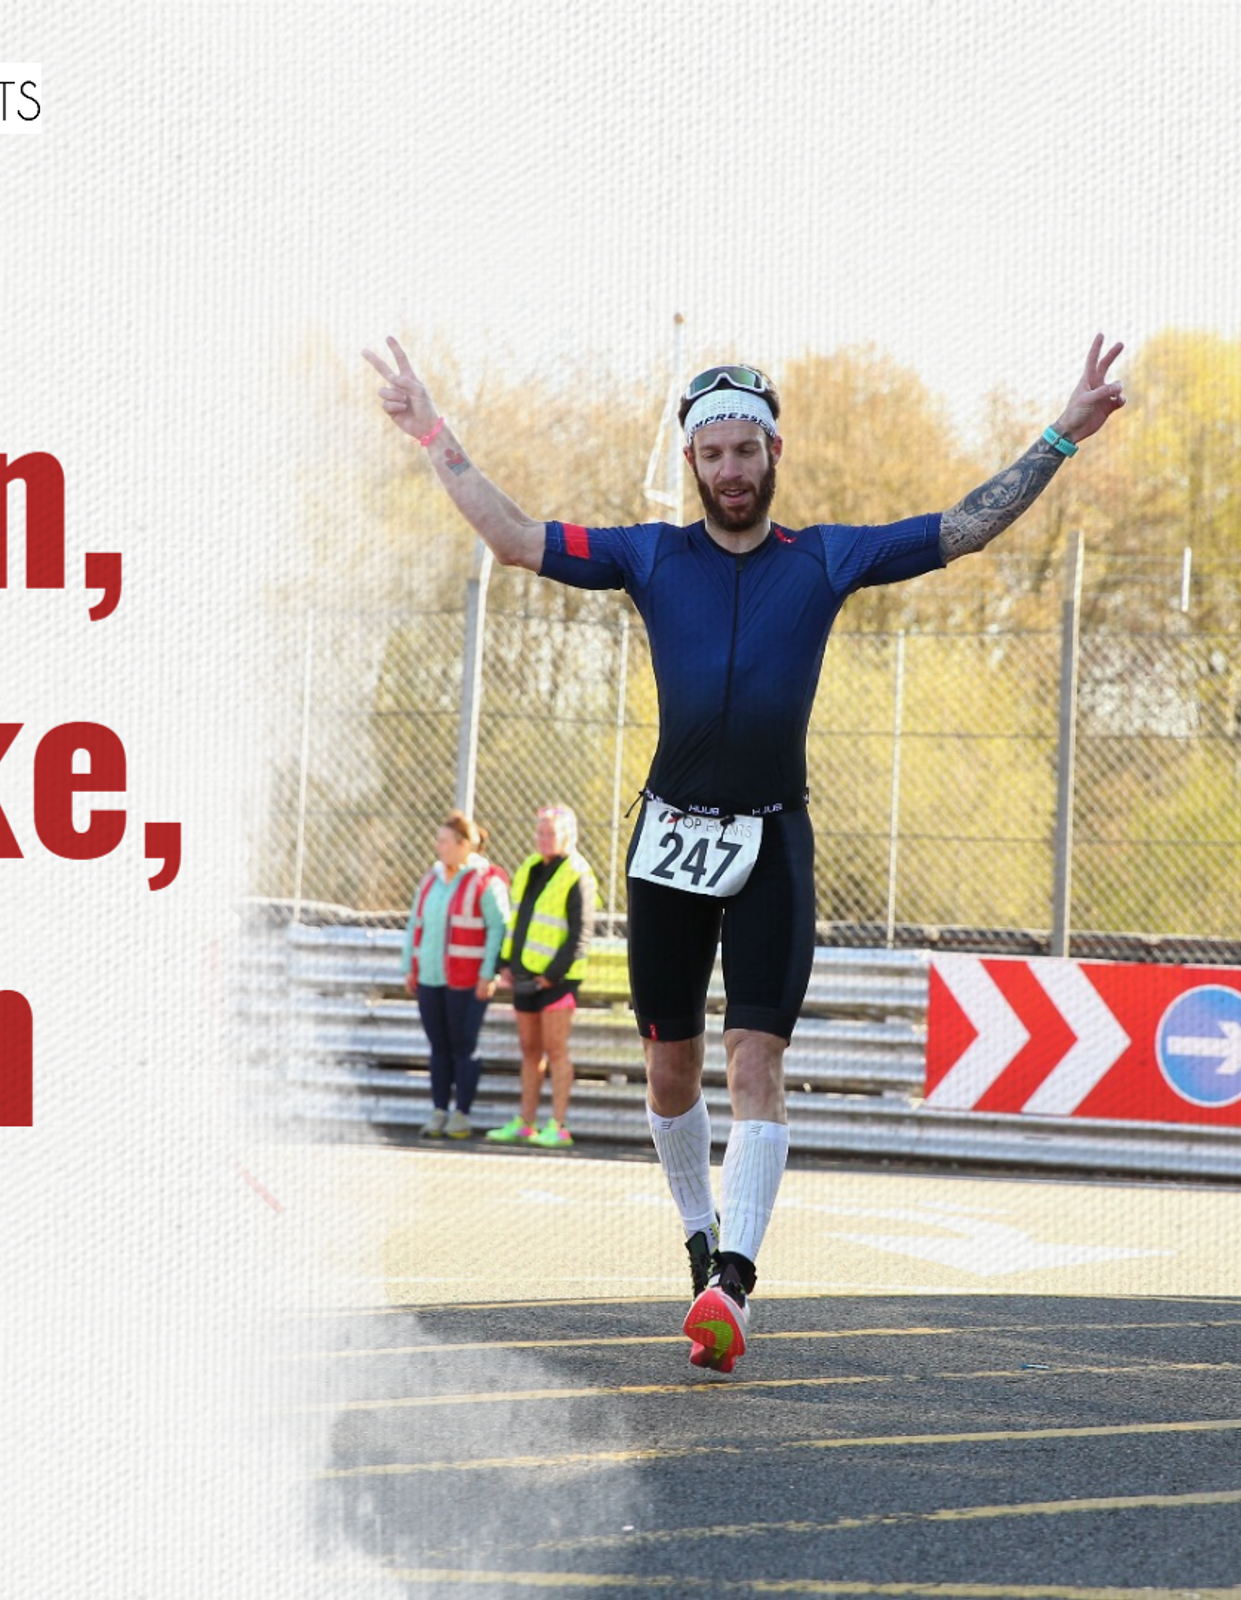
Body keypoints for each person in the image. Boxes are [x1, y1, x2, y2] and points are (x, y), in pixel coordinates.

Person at [365, 332, 1126, 1371]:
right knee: (670, 1067)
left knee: (755, 1058)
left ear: (774, 454)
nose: (730, 470)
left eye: (746, 451)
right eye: (713, 453)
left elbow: (962, 527)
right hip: (668, 839)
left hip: (773, 835)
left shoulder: (823, 557)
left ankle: (734, 1277)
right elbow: (512, 538)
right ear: (692, 461)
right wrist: (431, 432)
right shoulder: (647, 556)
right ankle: (697, 1238)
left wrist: (1060, 436)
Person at [486, 804, 599, 1149]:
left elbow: (581, 933)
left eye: (551, 833)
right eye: (540, 832)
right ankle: (526, 1122)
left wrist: (553, 974)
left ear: (568, 835)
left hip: (557, 982)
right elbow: (516, 920)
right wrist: (504, 962)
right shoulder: (529, 868)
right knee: (529, 1050)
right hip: (524, 978)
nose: (544, 839)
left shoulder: (577, 873)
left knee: (556, 1051)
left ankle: (559, 1126)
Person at [401, 809, 510, 1139]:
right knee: (438, 1047)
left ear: (464, 844)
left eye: (444, 840)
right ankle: (438, 1111)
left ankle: (461, 1114)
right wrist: (410, 966)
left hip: (467, 979)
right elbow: (414, 924)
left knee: (464, 1046)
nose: (438, 846)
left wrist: (487, 972)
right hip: (431, 977)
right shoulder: (431, 878)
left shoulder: (487, 881)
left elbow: (498, 928)